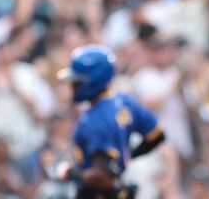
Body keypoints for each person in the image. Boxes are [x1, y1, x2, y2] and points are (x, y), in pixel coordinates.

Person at [56, 44, 166, 198]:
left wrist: (73, 173)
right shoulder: (123, 99)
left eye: (77, 82)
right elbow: (157, 135)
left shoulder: (93, 120)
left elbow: (105, 178)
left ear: (93, 80)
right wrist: (126, 160)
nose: (73, 87)